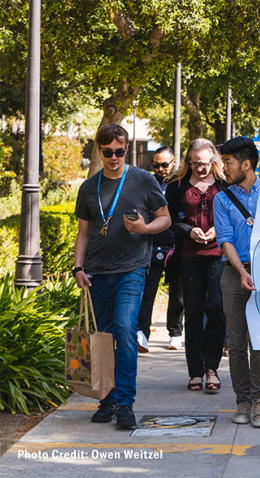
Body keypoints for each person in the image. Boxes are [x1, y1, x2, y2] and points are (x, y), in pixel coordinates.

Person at [73, 123, 171, 429]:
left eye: (119, 151)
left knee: (126, 331)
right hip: (97, 271)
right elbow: (83, 233)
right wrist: (78, 268)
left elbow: (165, 218)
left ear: (126, 148)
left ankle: (125, 403)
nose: (114, 157)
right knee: (102, 337)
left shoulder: (142, 180)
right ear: (100, 151)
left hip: (132, 268)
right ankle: (107, 399)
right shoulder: (89, 187)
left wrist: (145, 229)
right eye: (108, 152)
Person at [214, 136, 260, 428]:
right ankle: (242, 400)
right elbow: (225, 239)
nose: (224, 169)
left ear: (246, 164)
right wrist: (241, 272)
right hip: (234, 273)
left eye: (228, 163)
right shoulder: (222, 198)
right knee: (238, 341)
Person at [166, 138, 228, 393]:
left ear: (213, 161)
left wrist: (217, 230)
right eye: (194, 164)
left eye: (204, 164)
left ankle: (211, 367)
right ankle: (195, 371)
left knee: (215, 307)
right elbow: (168, 218)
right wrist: (189, 231)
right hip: (189, 257)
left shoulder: (225, 185)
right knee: (192, 313)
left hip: (217, 255)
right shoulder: (177, 186)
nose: (199, 168)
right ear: (188, 161)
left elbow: (232, 216)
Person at [137, 147, 184, 352]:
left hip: (176, 246)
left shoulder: (181, 184)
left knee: (178, 294)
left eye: (164, 164)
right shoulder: (148, 183)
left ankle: (175, 333)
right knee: (147, 292)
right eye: (156, 165)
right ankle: (142, 333)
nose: (160, 169)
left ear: (174, 162)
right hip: (151, 244)